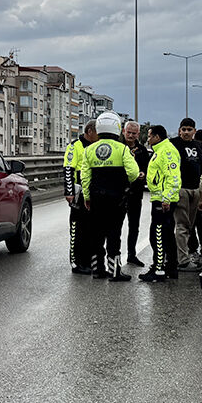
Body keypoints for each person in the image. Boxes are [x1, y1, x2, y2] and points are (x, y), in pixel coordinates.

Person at [80, 112, 140, 281]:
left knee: (96, 234)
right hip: (116, 199)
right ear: (117, 128)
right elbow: (134, 172)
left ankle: (97, 269)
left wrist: (87, 197)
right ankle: (114, 271)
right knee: (114, 234)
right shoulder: (122, 149)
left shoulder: (89, 150)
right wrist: (124, 183)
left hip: (96, 198)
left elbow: (85, 177)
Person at [139, 125, 182, 282]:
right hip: (160, 198)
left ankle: (158, 269)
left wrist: (166, 198)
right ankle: (170, 267)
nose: (148, 139)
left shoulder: (167, 151)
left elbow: (173, 177)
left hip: (163, 200)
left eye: (150, 136)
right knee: (167, 234)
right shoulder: (160, 150)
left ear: (157, 137)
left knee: (157, 234)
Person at [167, 118, 202, 271]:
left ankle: (186, 254)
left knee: (189, 226)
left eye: (189, 129)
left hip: (195, 189)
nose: (186, 132)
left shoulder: (198, 145)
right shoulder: (173, 144)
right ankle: (182, 260)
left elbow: (201, 166)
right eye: (183, 129)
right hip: (180, 189)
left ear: (194, 131)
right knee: (182, 226)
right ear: (179, 130)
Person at [62, 119, 97, 275]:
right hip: (78, 193)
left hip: (92, 193)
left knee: (90, 228)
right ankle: (76, 262)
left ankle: (88, 260)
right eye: (97, 132)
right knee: (77, 229)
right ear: (90, 131)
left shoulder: (96, 146)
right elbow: (68, 169)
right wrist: (69, 192)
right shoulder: (75, 146)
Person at [122, 120, 150, 266]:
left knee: (134, 226)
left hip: (136, 193)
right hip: (119, 193)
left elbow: (147, 168)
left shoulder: (142, 150)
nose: (131, 135)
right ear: (123, 132)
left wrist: (143, 174)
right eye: (129, 132)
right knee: (115, 227)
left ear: (138, 134)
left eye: (134, 133)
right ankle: (113, 255)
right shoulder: (118, 147)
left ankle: (131, 254)